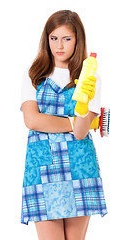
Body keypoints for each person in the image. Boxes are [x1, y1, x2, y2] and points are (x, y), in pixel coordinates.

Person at [20, 10, 107, 240]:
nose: (59, 45)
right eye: (53, 38)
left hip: (80, 166)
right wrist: (72, 120)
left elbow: (80, 133)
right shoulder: (34, 74)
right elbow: (32, 120)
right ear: (46, 39)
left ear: (77, 39)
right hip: (42, 166)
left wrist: (84, 103)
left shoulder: (89, 78)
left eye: (67, 38)